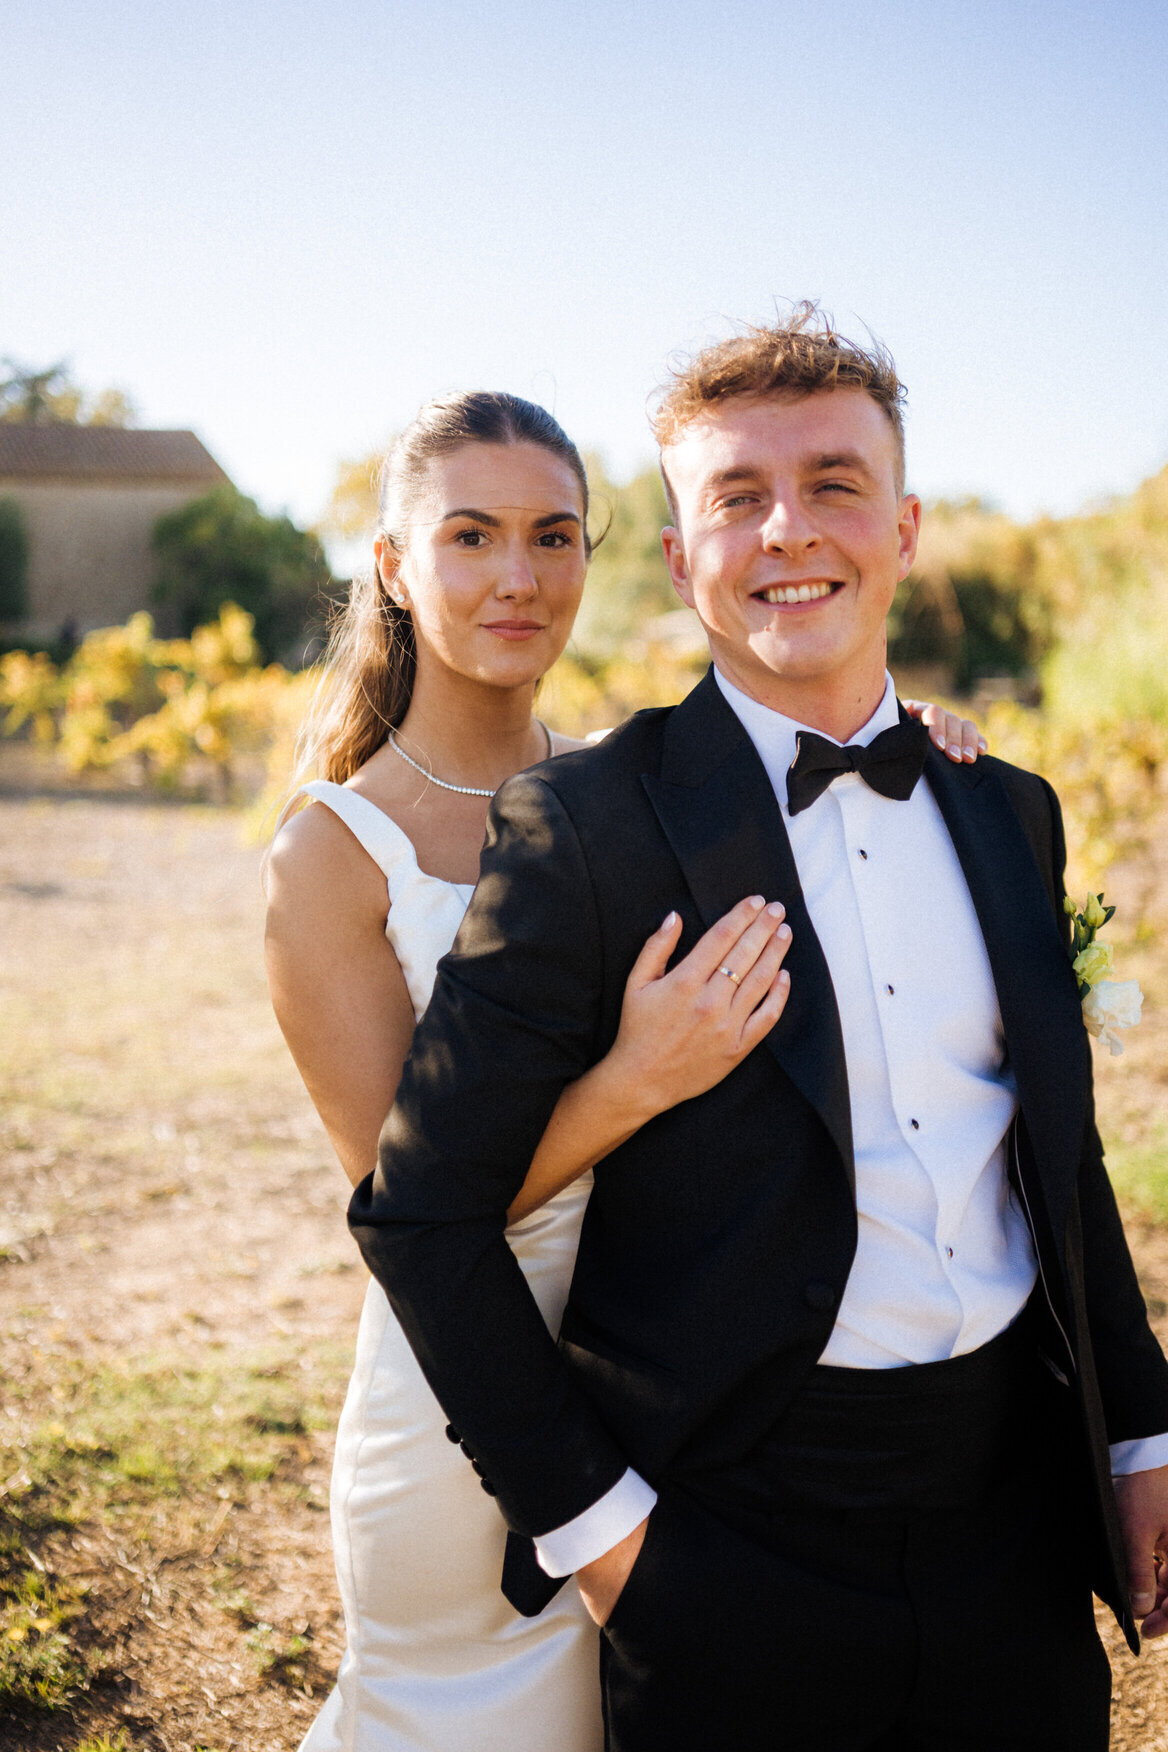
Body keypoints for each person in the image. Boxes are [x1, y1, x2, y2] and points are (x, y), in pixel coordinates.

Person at [349, 312, 1168, 1752]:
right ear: (680, 559)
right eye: (736, 497)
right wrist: (605, 1541)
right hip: (727, 1542)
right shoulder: (587, 828)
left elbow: (1060, 1151)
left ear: (906, 528)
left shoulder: (1008, 807)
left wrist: (1140, 1434)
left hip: (1017, 1527)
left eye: (836, 485)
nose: (790, 530)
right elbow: (422, 1213)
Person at [265, 387, 983, 1752]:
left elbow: (824, 765)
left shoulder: (631, 789)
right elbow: (414, 1211)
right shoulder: (329, 858)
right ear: (393, 565)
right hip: (465, 1396)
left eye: (555, 535)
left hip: (664, 1384)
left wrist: (923, 748)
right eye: (470, 537)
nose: (520, 578)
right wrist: (636, 1079)